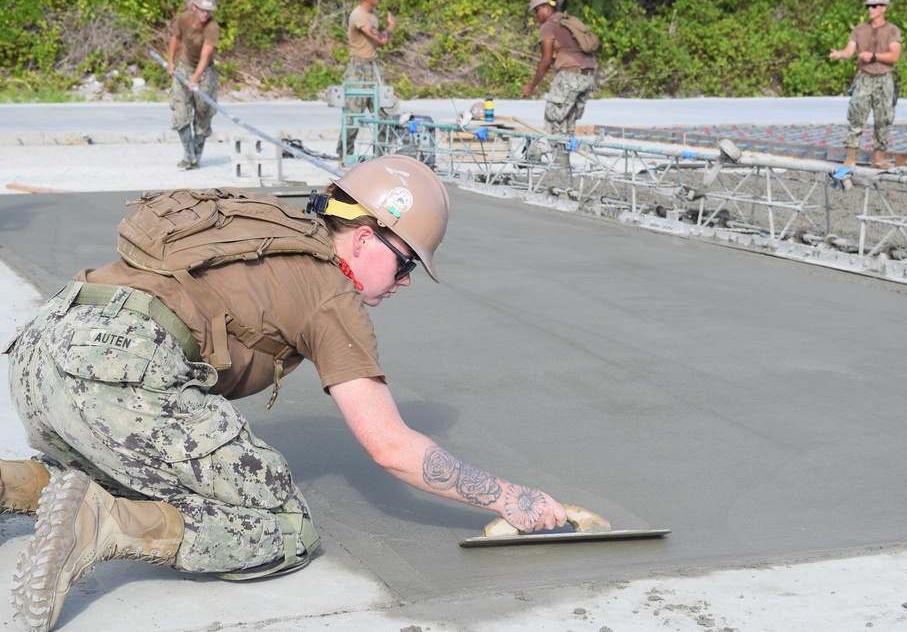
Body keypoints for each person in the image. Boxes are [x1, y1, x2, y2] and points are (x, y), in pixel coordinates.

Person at [3, 155, 567, 632]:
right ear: (367, 238)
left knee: (135, 466)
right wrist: (509, 499)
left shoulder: (271, 227)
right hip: (118, 374)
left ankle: (16, 484)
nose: (405, 282)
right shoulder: (331, 294)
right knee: (284, 527)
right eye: (403, 264)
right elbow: (390, 446)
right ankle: (105, 525)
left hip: (42, 350)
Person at [829, 0, 902, 169]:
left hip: (884, 79)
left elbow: (894, 56)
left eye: (874, 5)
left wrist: (874, 57)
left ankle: (878, 157)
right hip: (863, 78)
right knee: (856, 116)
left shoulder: (892, 31)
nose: (870, 9)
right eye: (869, 6)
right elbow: (849, 51)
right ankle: (850, 157)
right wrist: (840, 54)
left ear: (884, 7)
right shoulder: (859, 30)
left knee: (883, 119)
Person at [520, 0, 597, 143]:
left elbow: (546, 60)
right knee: (567, 126)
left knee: (554, 124)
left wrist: (531, 86)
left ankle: (557, 166)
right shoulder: (567, 21)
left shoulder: (548, 25)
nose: (535, 15)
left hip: (570, 78)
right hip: (587, 78)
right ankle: (563, 165)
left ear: (546, 7)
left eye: (536, 10)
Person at [338, 0, 396, 160]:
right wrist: (390, 28)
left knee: (383, 112)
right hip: (358, 69)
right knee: (353, 116)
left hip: (373, 67)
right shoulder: (358, 16)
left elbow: (377, 42)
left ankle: (381, 155)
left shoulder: (372, 15)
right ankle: (344, 156)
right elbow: (382, 39)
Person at [166, 0, 220, 171]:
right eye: (203, 9)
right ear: (194, 7)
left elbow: (206, 56)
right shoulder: (184, 19)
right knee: (180, 111)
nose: (205, 14)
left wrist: (196, 78)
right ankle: (188, 155)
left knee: (203, 112)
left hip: (205, 72)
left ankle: (197, 154)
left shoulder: (212, 28)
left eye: (209, 11)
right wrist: (170, 62)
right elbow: (175, 37)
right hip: (184, 67)